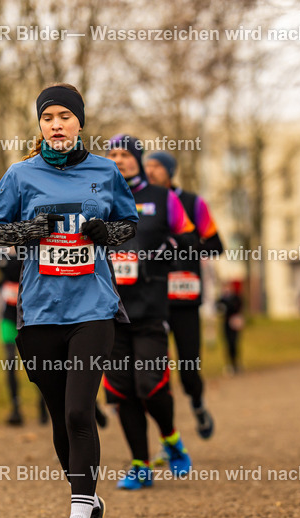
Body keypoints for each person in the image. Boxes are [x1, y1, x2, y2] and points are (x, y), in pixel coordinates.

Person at [0, 84, 137, 518]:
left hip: (93, 310)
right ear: (40, 126)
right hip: (40, 315)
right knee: (60, 421)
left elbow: (130, 225)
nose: (57, 124)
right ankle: (93, 506)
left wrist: (106, 232)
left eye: (66, 116)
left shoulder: (105, 172)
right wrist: (29, 231)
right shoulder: (21, 175)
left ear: (80, 122)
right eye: (49, 118)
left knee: (78, 412)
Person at [104, 136, 195, 491]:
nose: (119, 160)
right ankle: (140, 465)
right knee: (121, 389)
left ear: (139, 160)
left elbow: (189, 240)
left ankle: (171, 439)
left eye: (125, 154)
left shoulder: (162, 198)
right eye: (112, 154)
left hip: (151, 310)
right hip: (111, 310)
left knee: (149, 384)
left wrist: (160, 253)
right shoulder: (101, 198)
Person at [144, 151, 223, 439]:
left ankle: (198, 405)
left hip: (185, 297)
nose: (150, 171)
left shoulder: (193, 202)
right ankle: (168, 432)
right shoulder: (143, 202)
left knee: (189, 368)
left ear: (170, 172)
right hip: (153, 298)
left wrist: (181, 247)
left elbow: (216, 244)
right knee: (155, 371)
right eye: (147, 166)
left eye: (157, 167)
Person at [0, 249, 49, 426]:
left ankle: (43, 406)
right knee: (10, 361)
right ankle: (15, 409)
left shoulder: (33, 248)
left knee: (37, 362)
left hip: (31, 316)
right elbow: (8, 275)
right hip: (8, 315)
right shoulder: (0, 254)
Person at [217, 281, 244, 374]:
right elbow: (218, 309)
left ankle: (236, 364)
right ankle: (229, 365)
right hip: (226, 324)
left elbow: (239, 308)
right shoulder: (221, 299)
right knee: (227, 344)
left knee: (234, 344)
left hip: (235, 323)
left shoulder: (236, 298)